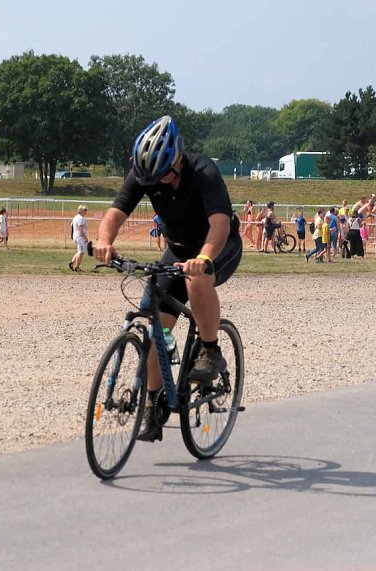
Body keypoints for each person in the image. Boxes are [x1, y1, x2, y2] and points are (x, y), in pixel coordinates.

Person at [93, 115, 242, 442]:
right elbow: (115, 213)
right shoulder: (145, 174)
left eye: (162, 175)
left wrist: (204, 258)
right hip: (177, 250)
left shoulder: (203, 172)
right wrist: (105, 241)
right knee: (154, 331)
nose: (156, 183)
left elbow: (220, 225)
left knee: (197, 280)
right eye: (150, 178)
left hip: (218, 245)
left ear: (176, 158)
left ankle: (210, 349)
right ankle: (156, 404)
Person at [69, 205, 89, 272]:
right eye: (85, 210)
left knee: (79, 251)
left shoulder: (76, 217)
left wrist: (72, 235)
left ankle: (72, 263)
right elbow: (80, 228)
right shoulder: (81, 218)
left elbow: (71, 225)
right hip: (80, 237)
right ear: (80, 211)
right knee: (80, 252)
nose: (86, 211)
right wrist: (85, 238)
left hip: (77, 236)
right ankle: (77, 267)